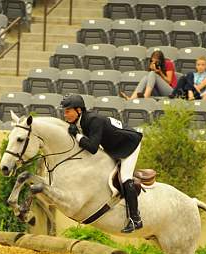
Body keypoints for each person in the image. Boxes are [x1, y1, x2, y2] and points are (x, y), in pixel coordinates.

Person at [60, 94, 143, 233]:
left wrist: (77, 135)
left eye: (68, 111)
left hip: (129, 144)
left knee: (125, 178)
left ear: (78, 110)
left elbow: (92, 148)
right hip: (113, 146)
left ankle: (136, 219)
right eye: (64, 111)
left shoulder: (93, 120)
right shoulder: (81, 120)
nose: (65, 115)